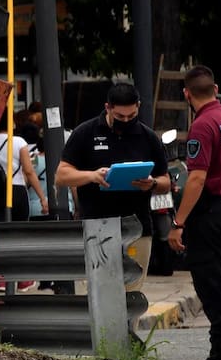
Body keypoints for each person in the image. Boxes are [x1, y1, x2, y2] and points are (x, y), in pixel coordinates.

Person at [168, 66, 221, 360]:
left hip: (210, 213)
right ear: (215, 89)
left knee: (211, 284)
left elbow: (197, 178)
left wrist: (179, 222)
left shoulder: (202, 126)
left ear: (186, 94)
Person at [56, 83, 170, 292]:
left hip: (137, 227)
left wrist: (152, 183)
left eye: (131, 116)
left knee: (132, 293)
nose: (126, 121)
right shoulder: (85, 133)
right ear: (107, 107)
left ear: (138, 107)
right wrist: (92, 176)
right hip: (97, 227)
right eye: (120, 116)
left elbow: (165, 181)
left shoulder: (148, 137)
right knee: (101, 292)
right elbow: (62, 176)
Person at [0, 111, 48, 222]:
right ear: (12, 123)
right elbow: (29, 171)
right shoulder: (19, 142)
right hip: (17, 189)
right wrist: (42, 198)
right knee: (20, 227)